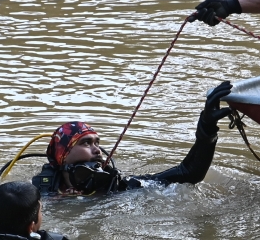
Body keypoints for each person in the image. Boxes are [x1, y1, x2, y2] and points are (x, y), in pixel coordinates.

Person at [32, 81, 233, 195]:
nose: (96, 150)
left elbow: (188, 173)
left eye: (97, 143)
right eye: (85, 143)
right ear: (63, 156)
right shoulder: (38, 193)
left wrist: (207, 128)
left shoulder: (117, 186)